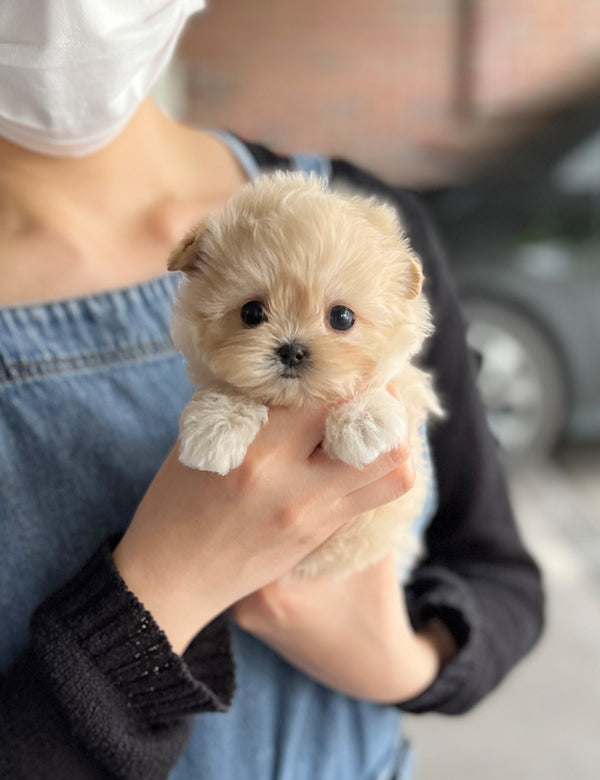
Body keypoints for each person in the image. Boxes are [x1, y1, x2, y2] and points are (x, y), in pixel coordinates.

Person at [0, 2, 544, 778]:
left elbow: (500, 575)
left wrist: (400, 661)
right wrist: (160, 592)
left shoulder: (373, 230)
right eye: (251, 312)